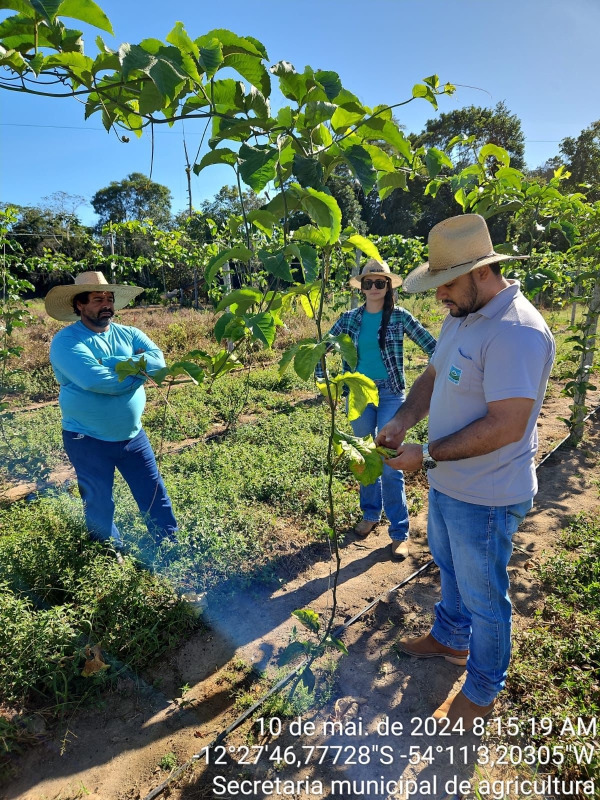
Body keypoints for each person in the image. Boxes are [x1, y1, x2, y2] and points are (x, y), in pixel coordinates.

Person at [377, 214, 555, 729]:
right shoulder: (464, 315)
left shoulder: (515, 331)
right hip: (451, 482)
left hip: (489, 493)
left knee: (485, 596)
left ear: (482, 272)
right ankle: (450, 639)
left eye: (447, 284)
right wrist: (402, 418)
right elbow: (434, 374)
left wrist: (426, 456)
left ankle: (483, 687)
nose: (439, 298)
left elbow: (506, 425)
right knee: (450, 570)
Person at [45, 272, 178, 563]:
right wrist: (139, 373)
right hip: (87, 438)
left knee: (154, 493)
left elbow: (158, 362)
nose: (106, 304)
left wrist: (115, 363)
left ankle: (169, 545)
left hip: (133, 435)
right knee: (98, 500)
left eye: (109, 298)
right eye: (97, 299)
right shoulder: (66, 341)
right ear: (79, 305)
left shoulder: (128, 333)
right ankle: (108, 553)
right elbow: (96, 380)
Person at [316, 259, 436, 560]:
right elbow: (321, 349)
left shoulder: (400, 317)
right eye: (367, 283)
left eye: (379, 283)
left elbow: (434, 346)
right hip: (358, 394)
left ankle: (398, 532)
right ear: (362, 286)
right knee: (362, 455)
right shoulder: (348, 319)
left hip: (391, 394)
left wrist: (447, 373)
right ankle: (370, 514)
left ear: (388, 286)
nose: (373, 288)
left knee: (390, 460)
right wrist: (324, 384)